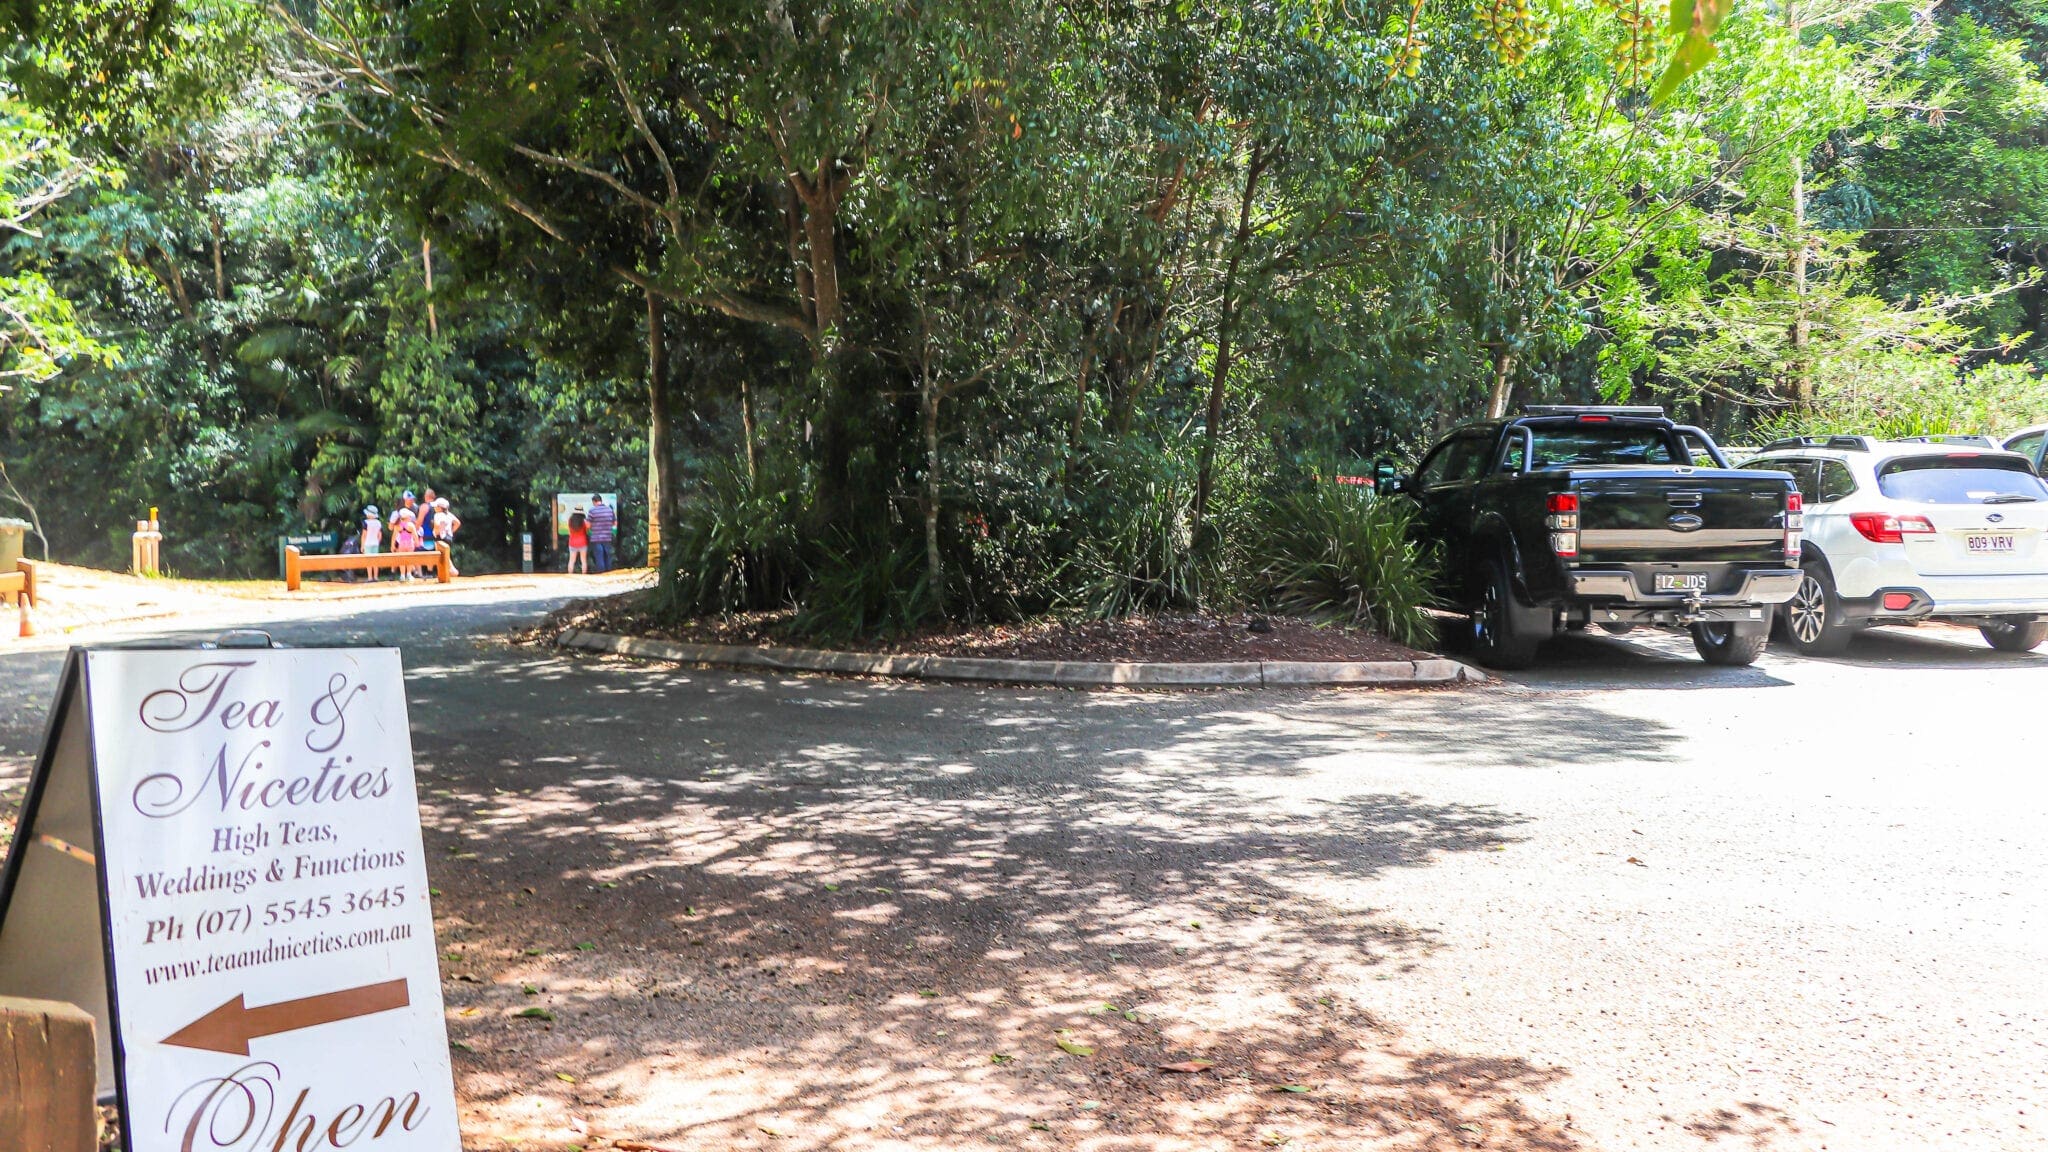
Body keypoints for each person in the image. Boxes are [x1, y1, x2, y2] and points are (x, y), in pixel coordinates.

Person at [586, 493, 617, 573]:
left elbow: (588, 525)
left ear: (594, 502)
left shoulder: (592, 511)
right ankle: (608, 572)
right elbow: (614, 523)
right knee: (607, 555)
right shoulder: (609, 510)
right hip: (607, 537)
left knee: (599, 556)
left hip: (596, 538)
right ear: (601, 500)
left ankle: (601, 573)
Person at [431, 497, 460, 575]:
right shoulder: (449, 514)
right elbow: (457, 523)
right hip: (449, 537)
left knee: (443, 557)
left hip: (440, 538)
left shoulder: (437, 515)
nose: (434, 508)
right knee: (446, 556)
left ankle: (452, 572)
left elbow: (438, 525)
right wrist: (451, 532)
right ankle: (450, 572)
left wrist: (437, 532)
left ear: (440, 508)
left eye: (436, 506)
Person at [393, 507, 422, 581]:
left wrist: (392, 545)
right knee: (410, 559)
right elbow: (415, 535)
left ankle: (402, 575)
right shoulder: (411, 525)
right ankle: (409, 574)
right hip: (410, 543)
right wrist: (417, 542)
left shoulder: (397, 526)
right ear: (408, 517)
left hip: (401, 544)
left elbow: (394, 536)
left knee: (401, 559)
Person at [360, 505, 383, 582]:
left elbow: (364, 535)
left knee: (368, 561)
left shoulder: (366, 523)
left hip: (367, 544)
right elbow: (380, 535)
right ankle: (376, 577)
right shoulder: (378, 523)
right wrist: (377, 542)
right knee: (375, 561)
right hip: (375, 544)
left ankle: (370, 577)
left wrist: (362, 546)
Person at [566, 507, 589, 574]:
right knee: (583, 561)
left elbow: (569, 530)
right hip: (582, 542)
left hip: (572, 542)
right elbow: (587, 529)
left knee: (571, 561)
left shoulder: (570, 520)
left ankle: (570, 575)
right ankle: (583, 575)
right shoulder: (584, 521)